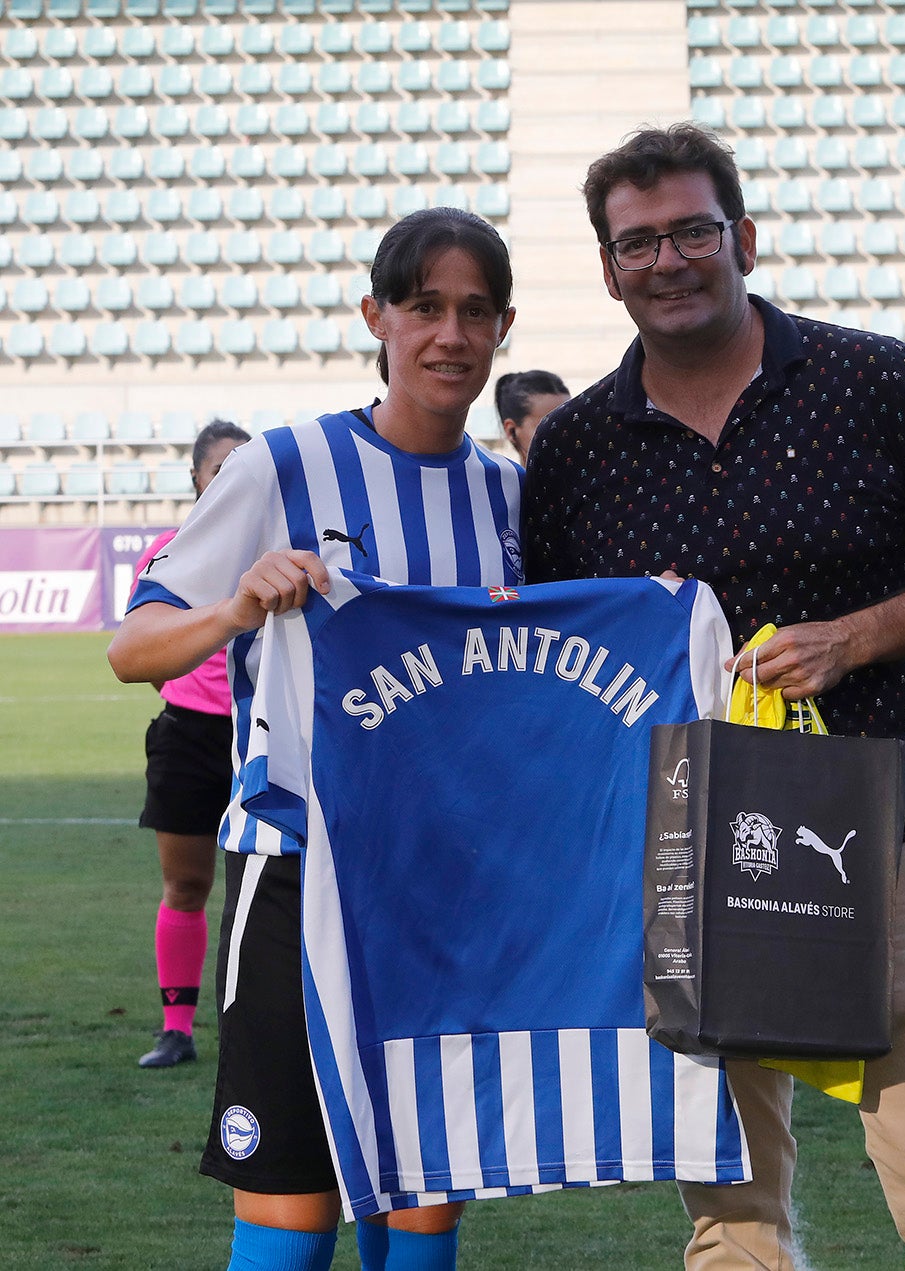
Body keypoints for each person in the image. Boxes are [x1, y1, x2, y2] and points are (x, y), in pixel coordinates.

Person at [523, 123, 905, 1271]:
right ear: (609, 268)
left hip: (888, 825)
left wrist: (856, 636)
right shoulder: (571, 451)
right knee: (729, 1206)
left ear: (744, 238)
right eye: (639, 242)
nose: (668, 260)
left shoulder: (876, 378)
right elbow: (553, 664)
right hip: (685, 854)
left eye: (692, 231)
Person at [108, 206, 522, 1271]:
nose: (450, 334)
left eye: (475, 311)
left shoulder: (514, 494)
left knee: (425, 1207)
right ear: (375, 315)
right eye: (424, 306)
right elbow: (135, 647)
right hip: (299, 875)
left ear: (503, 326)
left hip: (448, 890)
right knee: (291, 1216)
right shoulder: (283, 468)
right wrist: (234, 609)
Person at [131, 419, 251, 1070]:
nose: (229, 480)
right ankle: (176, 1029)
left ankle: (263, 1024)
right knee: (187, 884)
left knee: (267, 886)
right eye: (218, 470)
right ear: (197, 480)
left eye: (243, 469)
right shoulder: (170, 552)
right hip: (190, 736)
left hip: (263, 734)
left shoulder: (275, 549)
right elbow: (145, 654)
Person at [494, 367, 570, 463]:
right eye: (548, 428)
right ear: (511, 431)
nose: (564, 436)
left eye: (570, 426)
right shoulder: (498, 477)